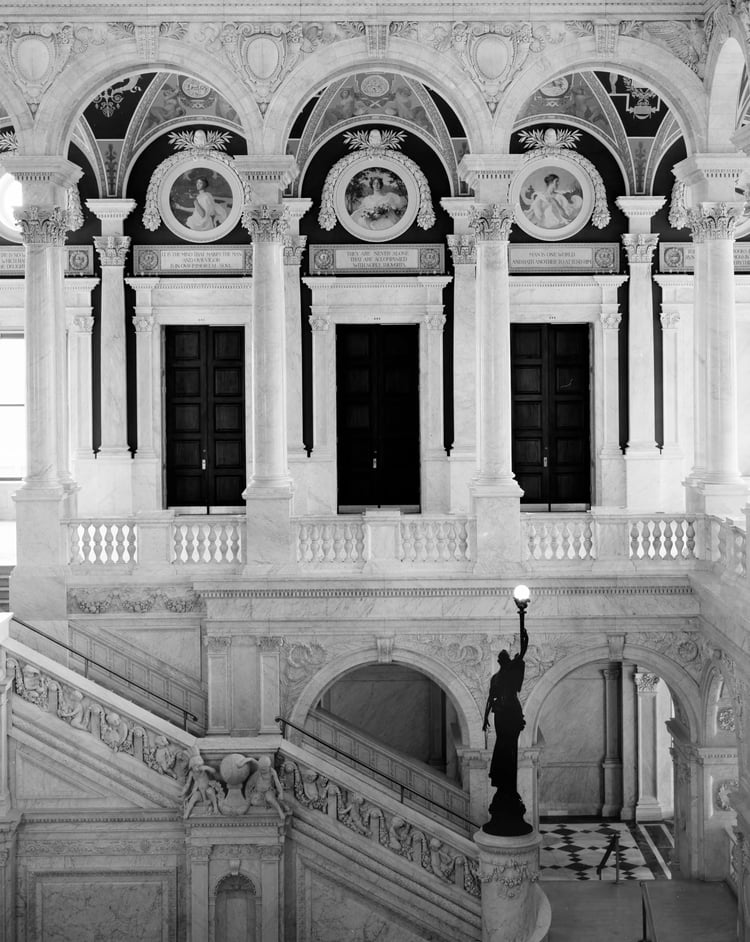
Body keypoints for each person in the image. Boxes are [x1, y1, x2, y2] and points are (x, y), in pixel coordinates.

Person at [482, 621, 529, 796]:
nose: (505, 661)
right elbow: (490, 698)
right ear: (500, 661)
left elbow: (522, 655)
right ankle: (502, 779)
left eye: (506, 659)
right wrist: (485, 718)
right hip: (500, 714)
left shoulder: (511, 672)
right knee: (502, 744)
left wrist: (524, 637)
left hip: (511, 712)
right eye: (503, 659)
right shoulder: (495, 678)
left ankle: (507, 782)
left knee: (509, 746)